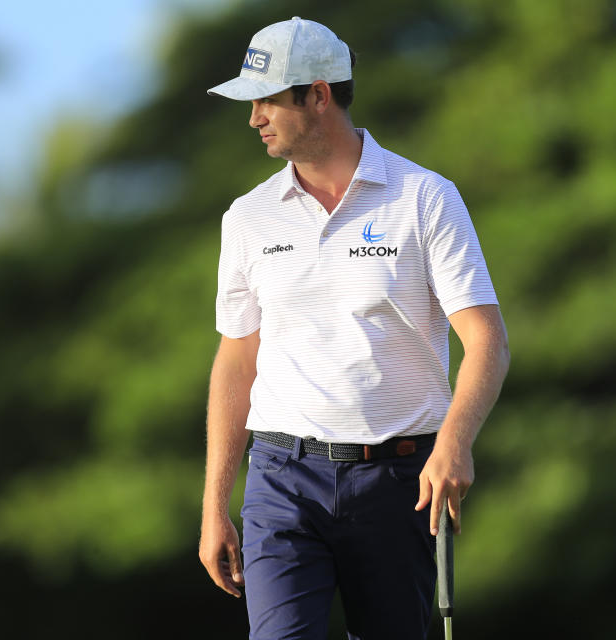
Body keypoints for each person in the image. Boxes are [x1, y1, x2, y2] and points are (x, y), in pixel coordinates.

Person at [198, 16, 510, 640]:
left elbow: (487, 341)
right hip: (282, 479)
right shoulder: (248, 218)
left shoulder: (424, 197)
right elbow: (237, 360)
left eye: (267, 100)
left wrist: (455, 442)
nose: (255, 116)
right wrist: (214, 506)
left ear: (317, 94)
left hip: (400, 479)